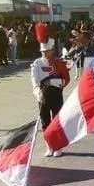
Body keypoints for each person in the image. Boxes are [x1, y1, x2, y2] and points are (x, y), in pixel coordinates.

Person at [30, 22, 70, 157]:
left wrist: (58, 84)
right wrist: (37, 93)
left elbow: (66, 78)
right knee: (45, 121)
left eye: (48, 51)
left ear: (53, 50)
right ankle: (49, 146)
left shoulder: (59, 63)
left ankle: (58, 146)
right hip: (43, 96)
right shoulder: (37, 64)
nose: (46, 54)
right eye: (44, 52)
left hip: (56, 94)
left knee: (57, 121)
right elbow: (34, 80)